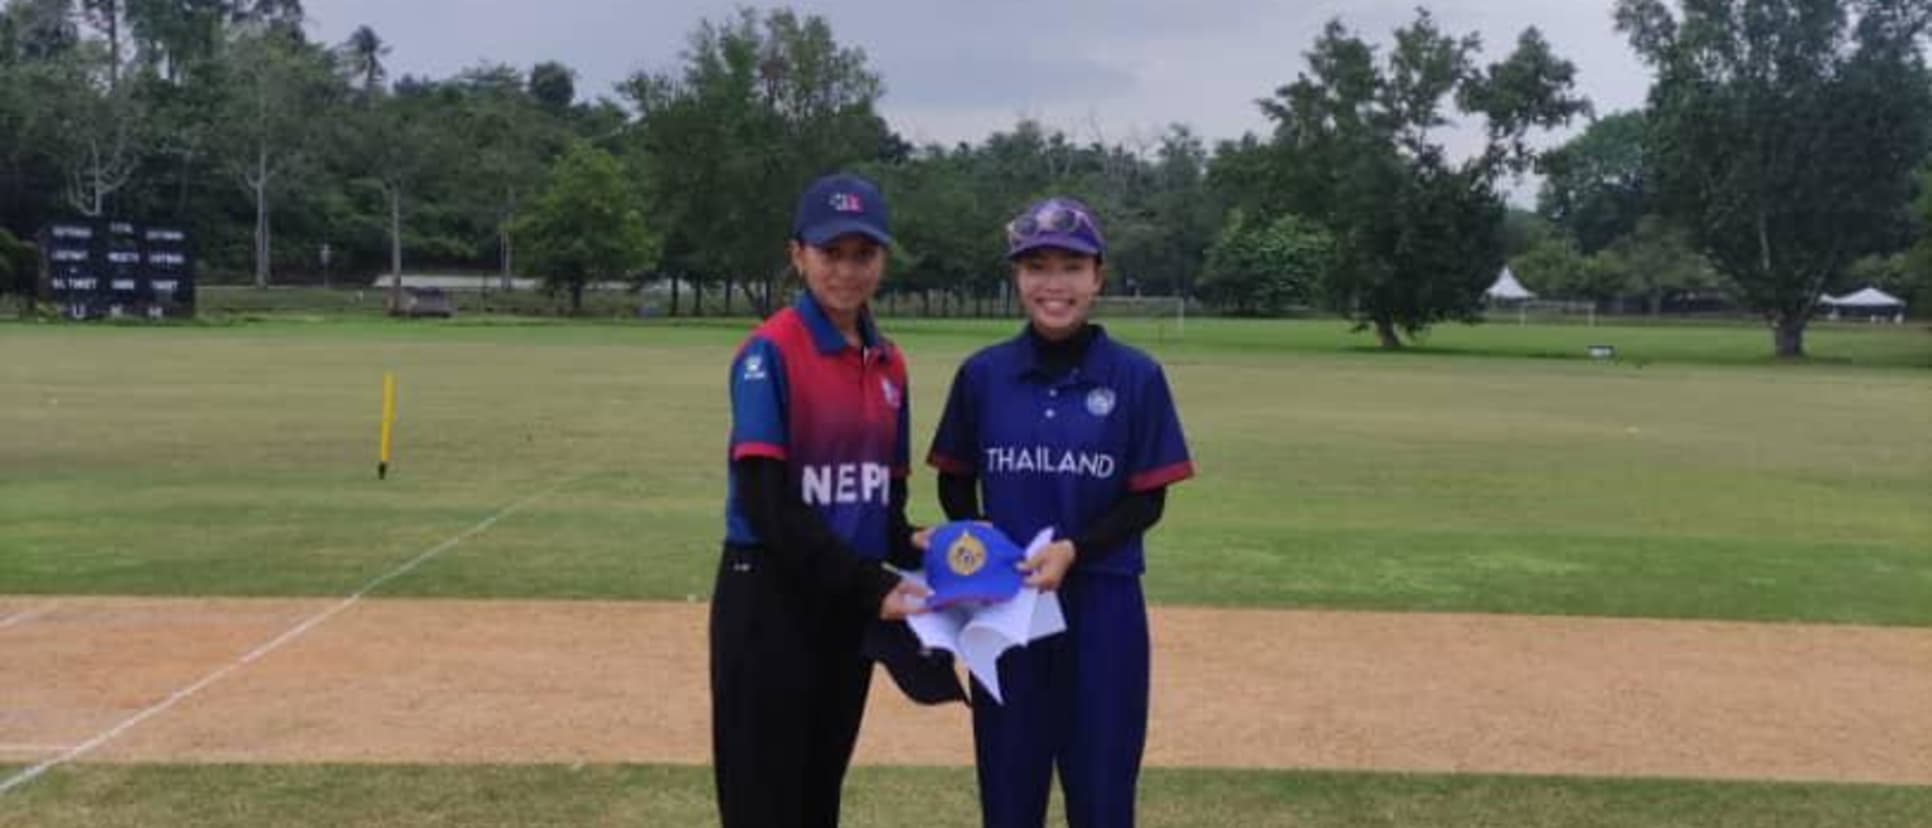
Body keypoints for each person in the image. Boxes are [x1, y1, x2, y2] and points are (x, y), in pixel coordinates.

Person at [926, 197, 1194, 828]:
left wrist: (1075, 548)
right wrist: (982, 550)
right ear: (1017, 278)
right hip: (1009, 610)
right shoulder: (984, 375)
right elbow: (956, 483)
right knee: (1010, 794)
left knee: (1102, 796)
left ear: (1098, 276)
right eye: (1037, 266)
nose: (1054, 283)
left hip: (1103, 608)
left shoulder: (1136, 377)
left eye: (1071, 266)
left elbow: (1146, 497)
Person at [712, 172, 930, 828]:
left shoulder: (889, 364)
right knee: (763, 801)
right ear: (797, 255)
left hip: (845, 604)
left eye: (862, 254)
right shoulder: (769, 352)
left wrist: (935, 548)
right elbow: (767, 504)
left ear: (882, 261)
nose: (846, 270)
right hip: (770, 597)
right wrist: (872, 585)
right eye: (830, 252)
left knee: (816, 796)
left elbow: (882, 508)